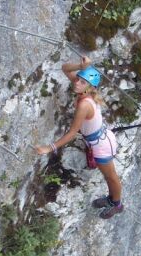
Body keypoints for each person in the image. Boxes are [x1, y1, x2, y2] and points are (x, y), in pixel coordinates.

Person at [34, 57, 123, 219]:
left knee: (110, 176)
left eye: (82, 82)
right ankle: (112, 199)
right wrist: (80, 66)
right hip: (100, 138)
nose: (77, 83)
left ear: (89, 87)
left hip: (101, 144)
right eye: (78, 79)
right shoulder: (84, 90)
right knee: (108, 175)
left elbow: (72, 132)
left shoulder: (84, 105)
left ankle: (117, 204)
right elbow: (65, 68)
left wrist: (50, 147)